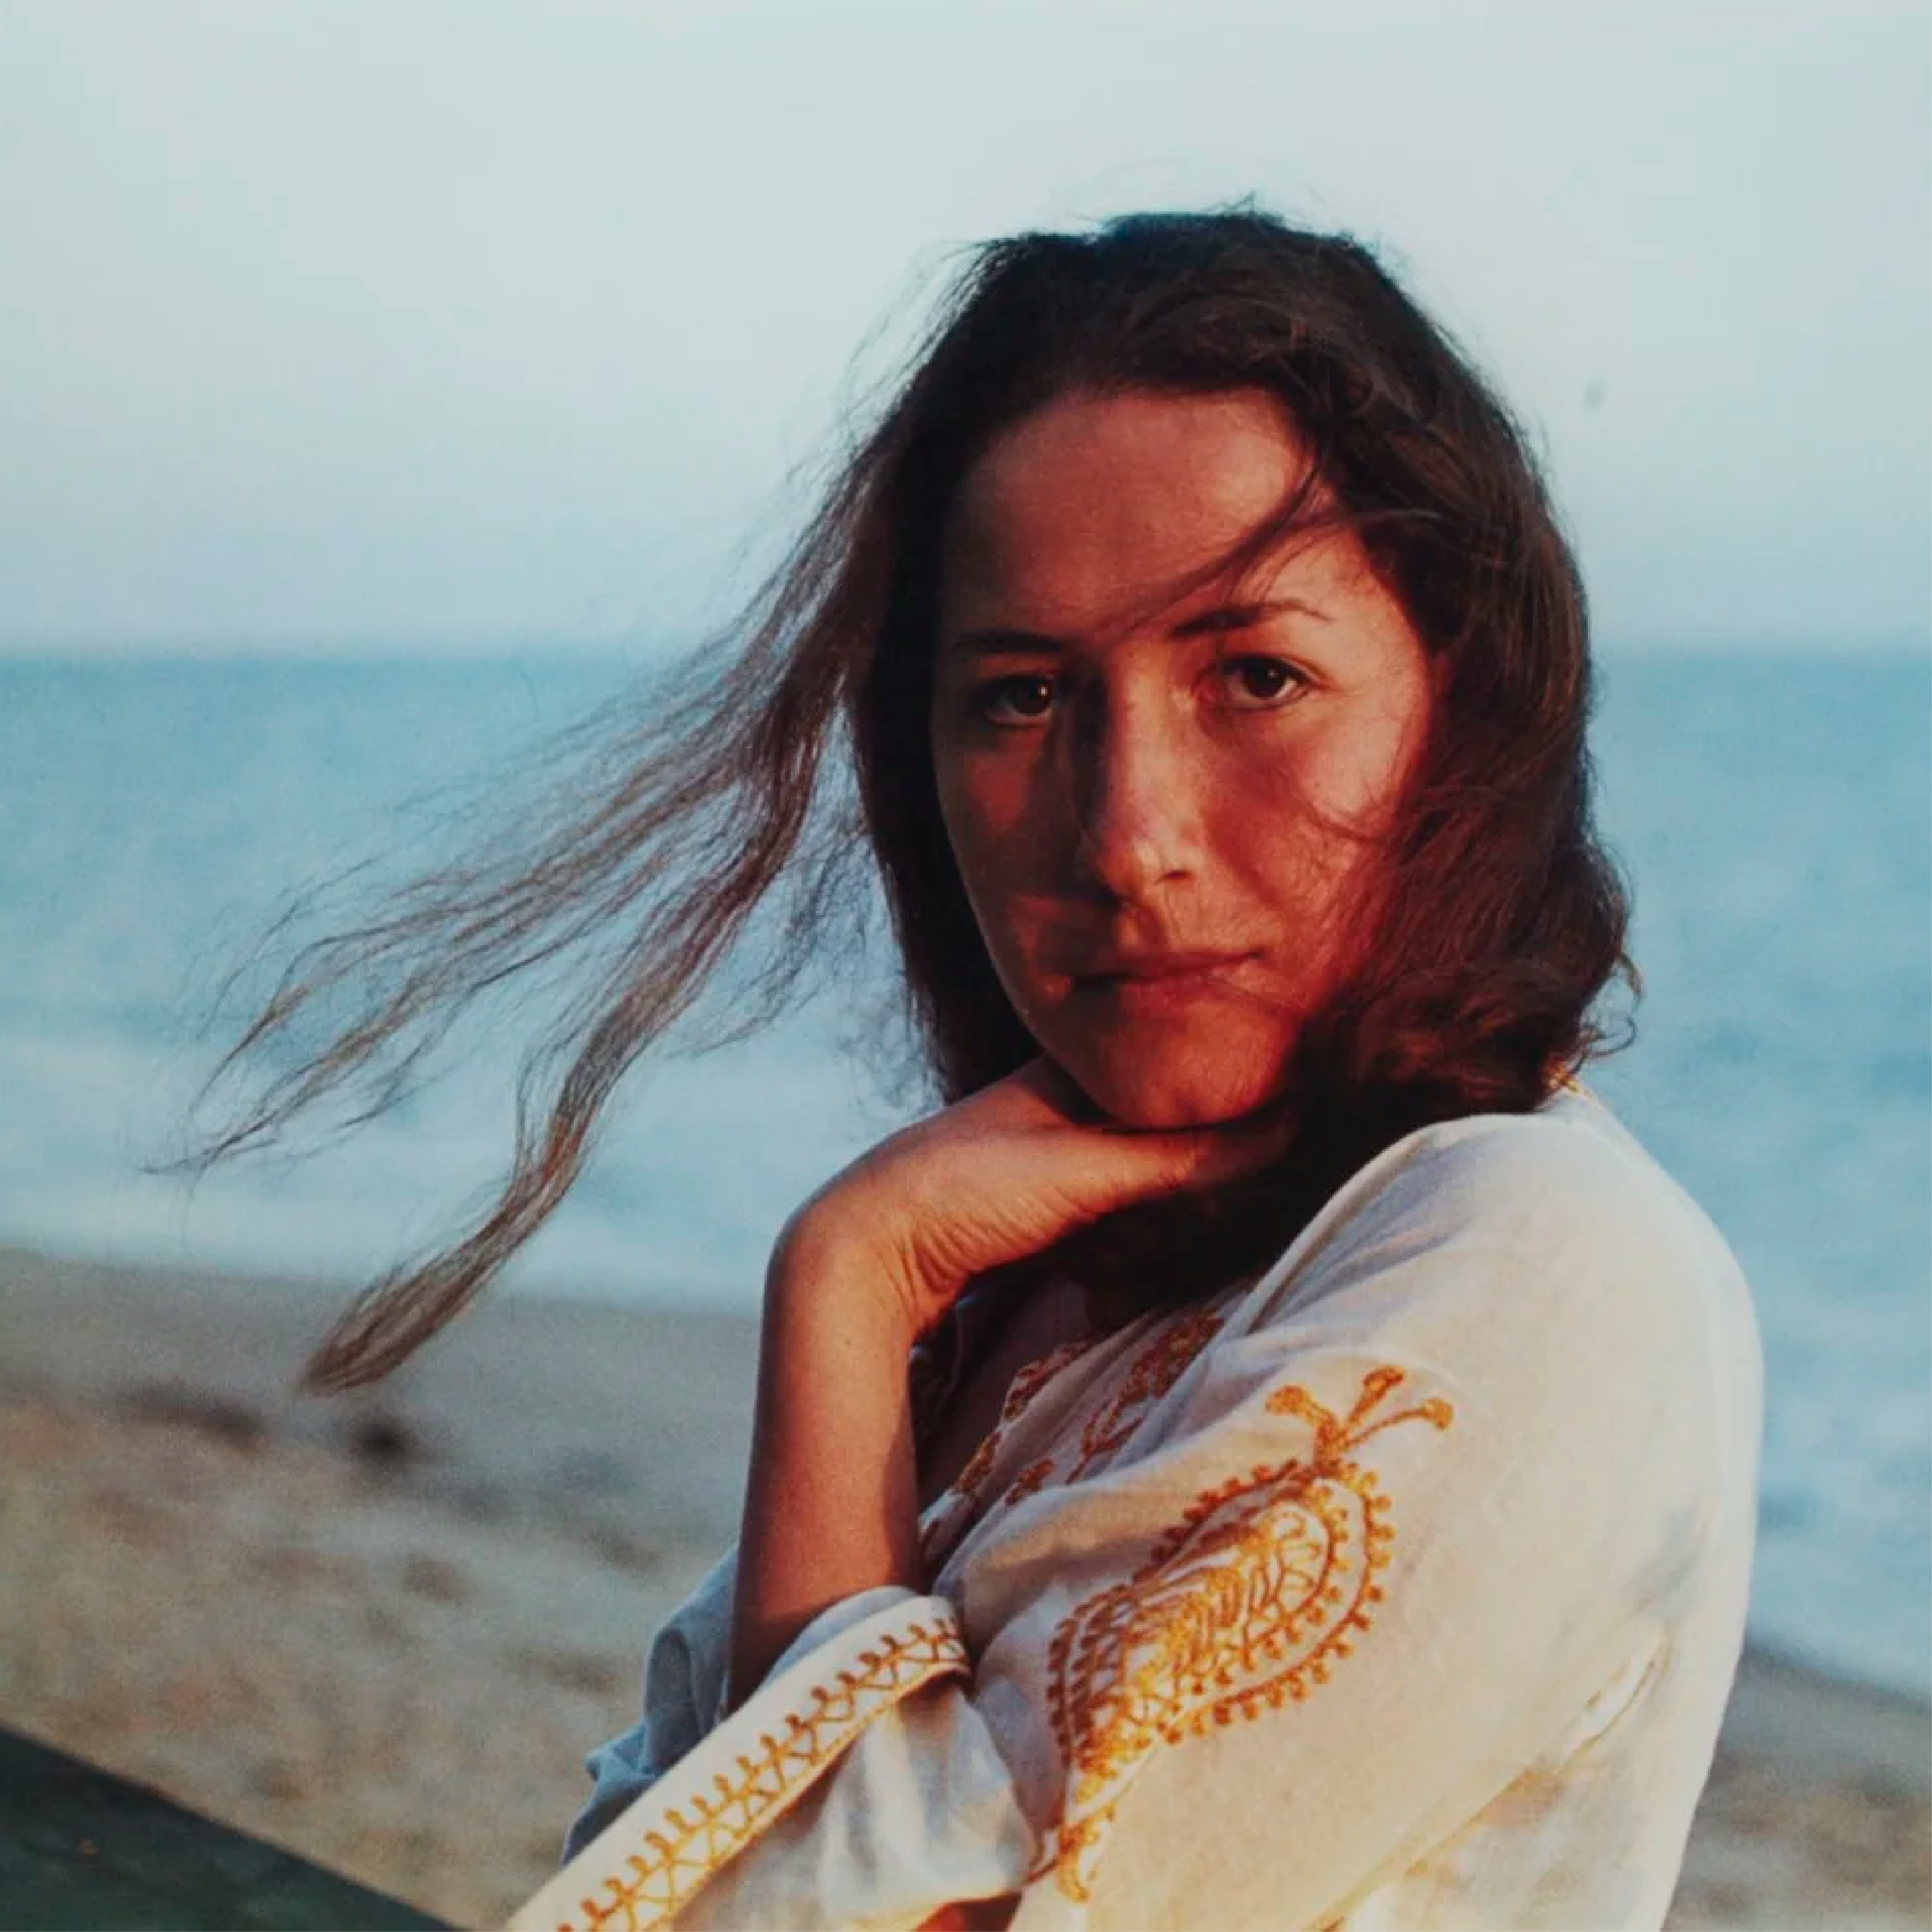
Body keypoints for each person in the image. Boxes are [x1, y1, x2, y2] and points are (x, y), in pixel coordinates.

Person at [204, 209, 1761, 1929]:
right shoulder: (1058, 1282)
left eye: (1256, 675)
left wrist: (847, 1279)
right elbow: (657, 1869)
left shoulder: (1539, 1251)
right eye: (1021, 698)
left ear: (1460, 710)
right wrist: (875, 1288)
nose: (1126, 835)